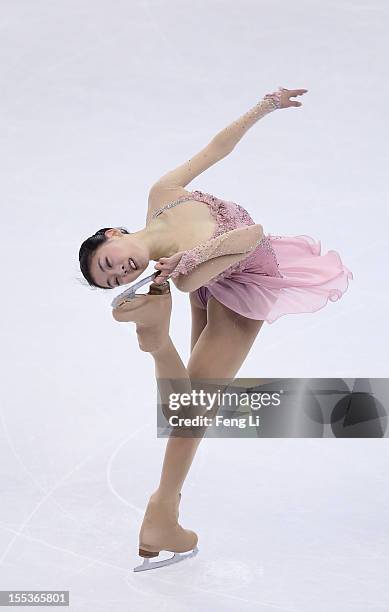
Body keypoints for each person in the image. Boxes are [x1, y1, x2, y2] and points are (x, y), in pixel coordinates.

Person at [78, 87, 353, 570]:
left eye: (110, 264)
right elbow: (250, 237)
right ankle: (162, 511)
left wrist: (263, 108)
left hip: (217, 274)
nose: (121, 273)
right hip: (242, 288)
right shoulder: (181, 276)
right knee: (192, 407)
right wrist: (191, 260)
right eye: (114, 281)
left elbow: (214, 149)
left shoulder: (161, 195)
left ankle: (166, 507)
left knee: (191, 405)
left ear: (111, 233)